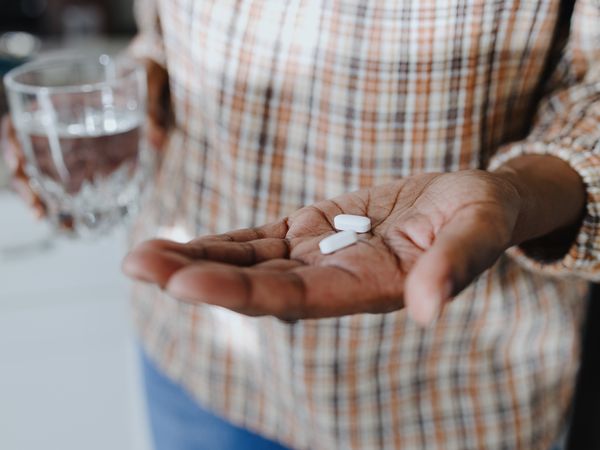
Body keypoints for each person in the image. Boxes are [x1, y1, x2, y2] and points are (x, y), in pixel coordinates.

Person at [4, 0, 600, 448]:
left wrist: (517, 192)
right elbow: (165, 28)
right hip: (197, 358)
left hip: (445, 390)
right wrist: (145, 88)